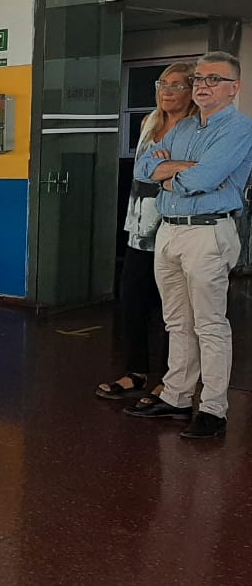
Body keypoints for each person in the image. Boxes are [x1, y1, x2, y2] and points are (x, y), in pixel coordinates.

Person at [128, 51, 252, 439]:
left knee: (209, 324)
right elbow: (144, 168)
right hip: (169, 230)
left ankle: (213, 409)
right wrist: (182, 171)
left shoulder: (239, 129)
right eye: (199, 78)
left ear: (234, 88)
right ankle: (177, 396)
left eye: (214, 79)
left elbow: (205, 179)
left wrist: (172, 174)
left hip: (207, 232)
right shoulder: (182, 127)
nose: (203, 85)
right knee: (177, 321)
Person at [96, 62, 196, 400]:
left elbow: (190, 173)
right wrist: (161, 166)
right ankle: (135, 372)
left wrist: (161, 167)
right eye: (162, 84)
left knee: (173, 309)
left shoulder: (195, 129)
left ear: (191, 91)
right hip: (139, 227)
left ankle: (170, 379)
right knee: (132, 302)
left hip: (173, 227)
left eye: (177, 85)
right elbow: (143, 171)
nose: (167, 91)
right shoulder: (148, 122)